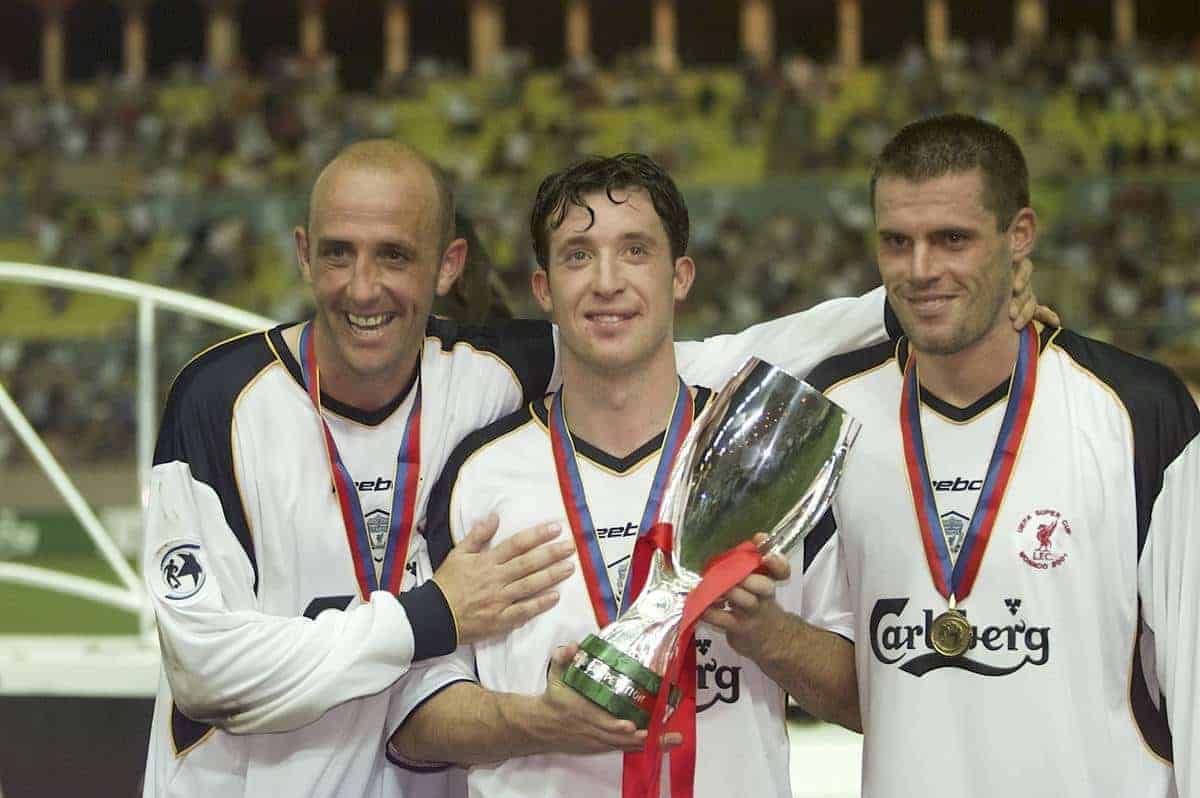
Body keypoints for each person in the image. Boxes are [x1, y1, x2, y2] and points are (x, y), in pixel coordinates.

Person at [388, 154, 1046, 797]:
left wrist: (768, 634)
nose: (607, 281)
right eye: (579, 255)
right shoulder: (478, 473)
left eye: (636, 251)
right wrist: (536, 721)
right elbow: (410, 722)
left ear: (680, 277)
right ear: (544, 290)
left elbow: (874, 699)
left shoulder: (764, 459)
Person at [800, 114, 1199, 797]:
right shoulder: (831, 413)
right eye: (897, 242)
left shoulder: (1139, 409)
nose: (920, 269)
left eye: (951, 239)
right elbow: (845, 685)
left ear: (1019, 237)